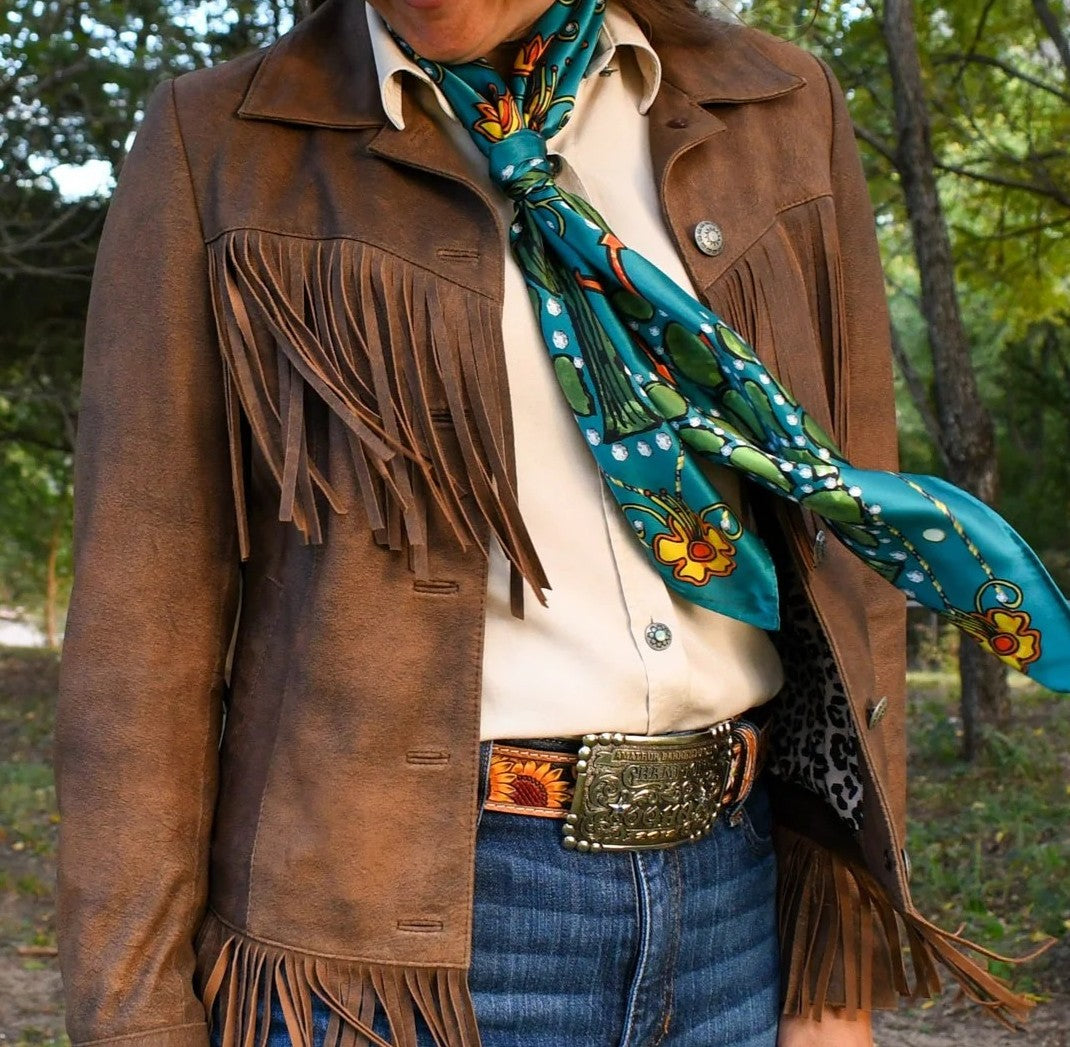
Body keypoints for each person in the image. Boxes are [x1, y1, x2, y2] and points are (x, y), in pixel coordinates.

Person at [55, 0, 1045, 1045]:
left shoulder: (776, 108)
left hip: (736, 915)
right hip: (384, 955)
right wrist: (132, 1023)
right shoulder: (217, 146)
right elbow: (139, 648)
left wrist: (831, 976)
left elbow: (851, 544)